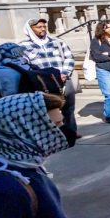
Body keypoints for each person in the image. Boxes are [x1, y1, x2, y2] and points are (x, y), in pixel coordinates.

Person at [19, 17, 78, 145]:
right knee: (48, 109)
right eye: (38, 27)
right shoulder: (23, 46)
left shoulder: (57, 42)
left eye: (44, 26)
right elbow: (25, 64)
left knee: (68, 108)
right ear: (30, 29)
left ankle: (71, 131)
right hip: (43, 83)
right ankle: (53, 135)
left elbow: (69, 57)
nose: (42, 29)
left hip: (63, 80)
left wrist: (65, 72)